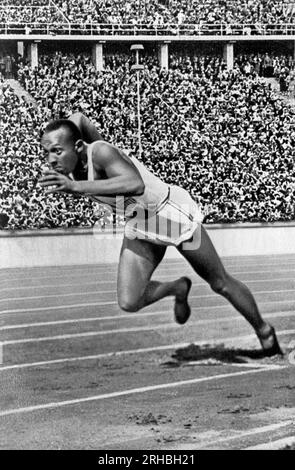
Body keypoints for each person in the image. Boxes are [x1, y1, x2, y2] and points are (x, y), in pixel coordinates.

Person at [39, 113, 283, 357]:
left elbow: (135, 184)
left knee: (220, 283)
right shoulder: (71, 166)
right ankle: (177, 288)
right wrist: (65, 135)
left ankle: (265, 332)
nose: (51, 160)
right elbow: (79, 119)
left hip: (169, 215)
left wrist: (77, 186)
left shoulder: (100, 153)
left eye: (57, 151)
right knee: (129, 301)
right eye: (47, 152)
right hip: (140, 224)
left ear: (78, 146)